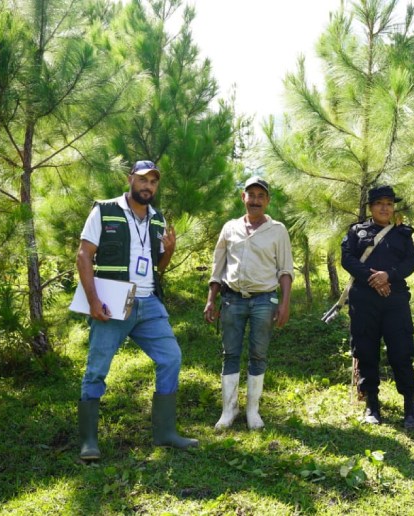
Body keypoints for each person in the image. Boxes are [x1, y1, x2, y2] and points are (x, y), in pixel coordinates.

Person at [76, 160, 198, 460]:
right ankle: (88, 441)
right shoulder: (105, 210)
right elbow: (84, 256)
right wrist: (93, 301)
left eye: (153, 182)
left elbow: (158, 267)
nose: (148, 186)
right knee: (97, 369)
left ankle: (165, 432)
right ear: (130, 179)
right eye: (143, 180)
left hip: (148, 302)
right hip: (113, 302)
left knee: (171, 358)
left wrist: (169, 251)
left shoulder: (157, 219)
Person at [204, 176, 293, 431]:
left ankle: (252, 410)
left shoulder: (278, 230)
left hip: (264, 300)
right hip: (232, 299)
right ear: (243, 197)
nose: (255, 200)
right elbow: (218, 267)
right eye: (251, 195)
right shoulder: (230, 228)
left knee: (258, 354)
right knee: (230, 353)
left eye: (260, 196)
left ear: (268, 201)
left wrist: (284, 304)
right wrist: (211, 299)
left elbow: (285, 270)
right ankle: (229, 409)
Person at [341, 185, 414, 428]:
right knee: (366, 350)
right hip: (364, 300)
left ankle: (410, 405)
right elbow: (347, 258)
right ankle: (372, 404)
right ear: (371, 207)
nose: (384, 208)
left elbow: (411, 261)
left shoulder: (402, 234)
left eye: (389, 203)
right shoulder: (357, 232)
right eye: (379, 203)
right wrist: (372, 278)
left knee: (401, 351)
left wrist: (389, 276)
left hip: (395, 299)